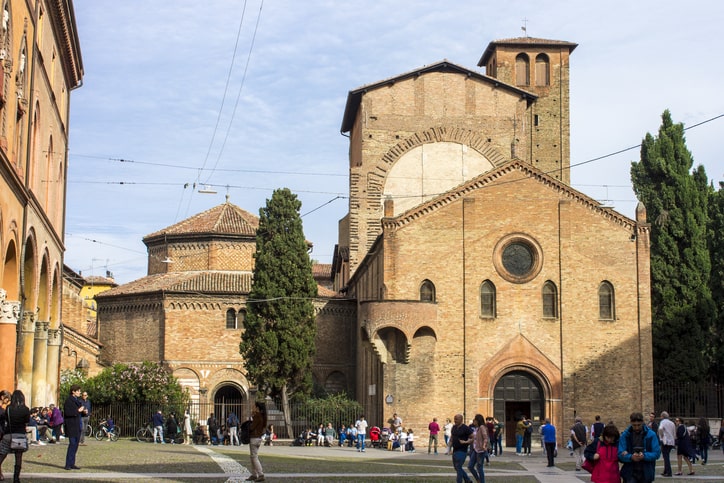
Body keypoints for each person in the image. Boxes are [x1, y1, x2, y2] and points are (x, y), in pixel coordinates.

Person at [618, 411, 661, 483]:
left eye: (639, 425)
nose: (636, 427)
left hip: (646, 471)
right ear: (631, 423)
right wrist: (630, 457)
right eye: (634, 425)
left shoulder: (651, 435)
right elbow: (620, 454)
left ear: (642, 423)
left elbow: (657, 453)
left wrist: (644, 456)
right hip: (630, 472)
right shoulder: (625, 435)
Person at [0, 390, 30, 482]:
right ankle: (16, 478)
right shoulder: (25, 409)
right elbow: (26, 421)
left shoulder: (8, 408)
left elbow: (6, 420)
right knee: (18, 457)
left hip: (9, 434)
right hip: (20, 435)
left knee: (2, 455)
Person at [63, 383, 86, 471]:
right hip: (71, 425)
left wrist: (83, 411)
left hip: (77, 425)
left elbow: (79, 411)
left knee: (76, 445)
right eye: (78, 391)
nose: (80, 392)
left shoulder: (77, 400)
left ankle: (72, 463)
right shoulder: (69, 401)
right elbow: (68, 413)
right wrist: (78, 411)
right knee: (72, 444)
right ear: (73, 392)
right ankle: (68, 464)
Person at [450, 413, 474, 483]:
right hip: (455, 450)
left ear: (461, 419)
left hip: (462, 450)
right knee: (457, 467)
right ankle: (468, 480)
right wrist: (449, 447)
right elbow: (452, 437)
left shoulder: (466, 428)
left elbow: (473, 438)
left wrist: (466, 442)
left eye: (456, 419)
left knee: (458, 466)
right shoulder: (454, 427)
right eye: (454, 419)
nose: (455, 420)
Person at [247, 401, 267, 482]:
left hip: (254, 438)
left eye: (254, 406)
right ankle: (254, 474)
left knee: (254, 457)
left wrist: (251, 419)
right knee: (252, 456)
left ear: (257, 408)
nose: (252, 407)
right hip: (258, 438)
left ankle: (260, 474)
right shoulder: (262, 416)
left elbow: (252, 427)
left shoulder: (257, 416)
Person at [467, 414, 488, 483]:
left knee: (479, 468)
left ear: (478, 420)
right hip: (475, 450)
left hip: (481, 450)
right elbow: (475, 439)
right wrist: (466, 442)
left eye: (475, 420)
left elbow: (485, 438)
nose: (474, 422)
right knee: (470, 466)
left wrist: (484, 445)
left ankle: (482, 481)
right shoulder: (477, 428)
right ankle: (478, 479)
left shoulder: (482, 427)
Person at [657, 411, 676, 477]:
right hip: (671, 441)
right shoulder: (672, 423)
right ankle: (665, 470)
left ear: (662, 416)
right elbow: (674, 432)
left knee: (666, 457)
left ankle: (668, 472)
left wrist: (661, 436)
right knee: (666, 456)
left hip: (665, 441)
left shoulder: (662, 422)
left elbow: (660, 428)